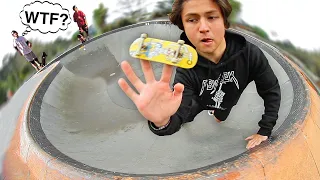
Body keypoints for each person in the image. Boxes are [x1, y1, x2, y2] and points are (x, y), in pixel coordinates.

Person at [118, 0, 281, 150]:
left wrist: (265, 130)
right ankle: (209, 109)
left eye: (211, 17)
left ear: (224, 21)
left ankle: (216, 113)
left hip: (226, 100)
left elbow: (271, 90)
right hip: (198, 100)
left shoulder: (250, 55)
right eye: (192, 20)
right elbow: (180, 113)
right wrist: (162, 121)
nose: (203, 28)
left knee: (220, 116)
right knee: (189, 114)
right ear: (182, 25)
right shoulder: (185, 68)